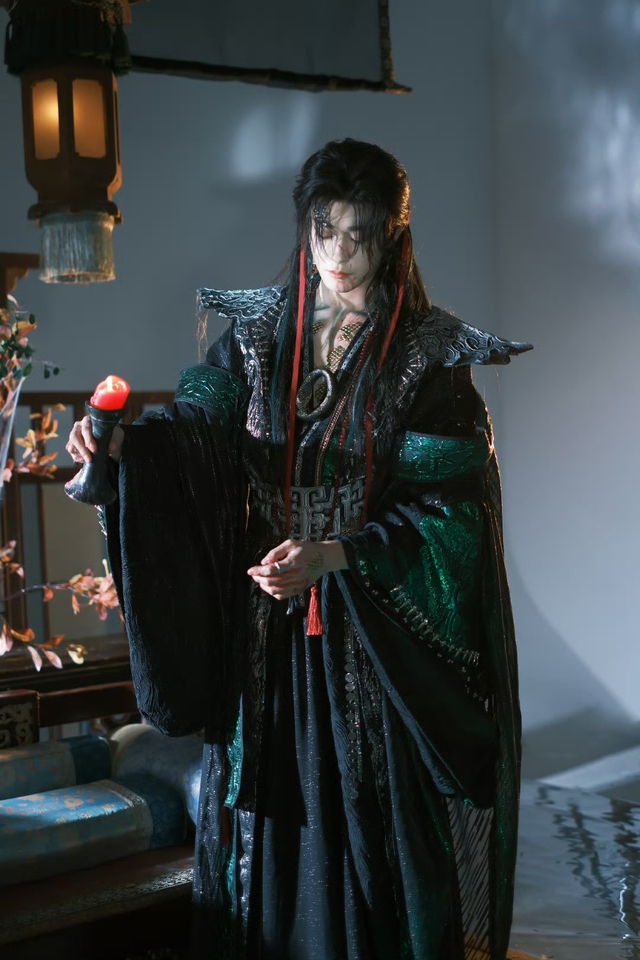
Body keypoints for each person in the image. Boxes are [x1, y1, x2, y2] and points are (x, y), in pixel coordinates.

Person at [67, 138, 531, 960]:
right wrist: (122, 450)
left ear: (392, 236)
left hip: (366, 635)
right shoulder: (256, 334)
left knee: (366, 833)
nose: (339, 253)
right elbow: (194, 435)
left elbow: (453, 515)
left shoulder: (425, 357)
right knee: (262, 834)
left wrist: (335, 555)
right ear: (305, 227)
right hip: (263, 634)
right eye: (325, 230)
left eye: (360, 234)